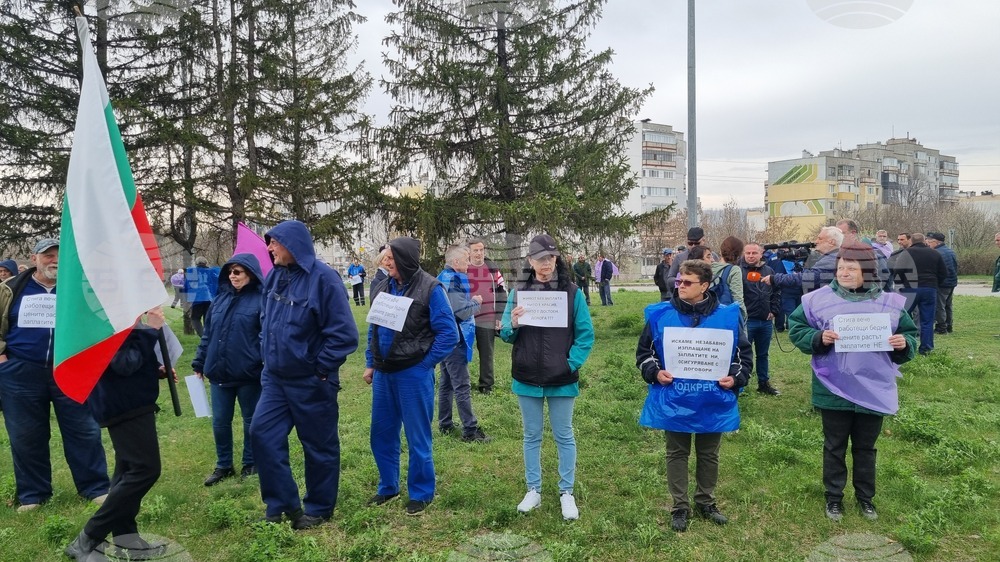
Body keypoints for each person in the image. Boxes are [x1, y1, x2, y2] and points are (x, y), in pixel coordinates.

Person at [787, 244, 917, 522]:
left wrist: (904, 343)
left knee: (865, 447)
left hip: (873, 387)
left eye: (851, 268)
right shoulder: (816, 300)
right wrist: (817, 338)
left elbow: (909, 334)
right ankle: (834, 498)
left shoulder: (888, 303)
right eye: (840, 267)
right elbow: (797, 328)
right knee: (834, 445)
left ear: (868, 271)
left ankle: (865, 498)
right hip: (833, 387)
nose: (844, 272)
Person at [251, 220, 359, 530]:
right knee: (262, 435)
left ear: (293, 245)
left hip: (311, 381)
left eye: (274, 243)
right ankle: (281, 504)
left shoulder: (324, 280)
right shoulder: (273, 277)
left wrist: (319, 368)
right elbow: (265, 322)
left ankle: (319, 508)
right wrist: (266, 356)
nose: (269, 248)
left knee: (318, 446)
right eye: (268, 242)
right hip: (274, 379)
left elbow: (344, 335)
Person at [635, 259, 752, 532]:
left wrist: (736, 378)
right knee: (676, 452)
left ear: (706, 285)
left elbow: (742, 355)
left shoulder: (727, 316)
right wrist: (654, 372)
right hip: (675, 397)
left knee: (709, 453)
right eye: (678, 281)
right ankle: (679, 506)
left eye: (687, 282)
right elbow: (644, 353)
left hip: (713, 397)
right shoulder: (660, 315)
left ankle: (706, 501)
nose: (680, 286)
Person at [0, 238, 110, 513]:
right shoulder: (10, 290)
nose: (55, 261)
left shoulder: (79, 290)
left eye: (60, 256)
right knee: (26, 436)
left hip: (70, 370)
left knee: (84, 430)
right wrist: (2, 359)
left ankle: (95, 488)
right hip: (21, 372)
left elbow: (97, 325)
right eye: (48, 255)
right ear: (34, 258)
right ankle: (33, 495)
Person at [64, 308, 170, 560]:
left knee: (126, 473)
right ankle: (88, 537)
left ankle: (128, 541)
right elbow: (123, 364)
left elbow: (126, 359)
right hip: (125, 407)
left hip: (130, 403)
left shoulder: (119, 321)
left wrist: (154, 369)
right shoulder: (110, 322)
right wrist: (152, 329)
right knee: (145, 470)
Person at [501, 235, 594, 521]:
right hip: (527, 376)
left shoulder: (572, 292)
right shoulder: (519, 292)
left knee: (564, 435)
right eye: (541, 258)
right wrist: (514, 323)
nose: (547, 264)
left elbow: (586, 334)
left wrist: (570, 364)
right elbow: (505, 331)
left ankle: (566, 492)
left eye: (551, 258)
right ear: (530, 261)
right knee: (531, 436)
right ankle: (534, 490)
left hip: (561, 378)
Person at [364, 236, 459, 515]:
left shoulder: (431, 288)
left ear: (405, 259)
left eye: (391, 258)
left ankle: (421, 492)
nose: (386, 261)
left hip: (412, 375)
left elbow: (448, 334)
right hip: (384, 374)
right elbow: (375, 328)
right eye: (385, 257)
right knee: (381, 434)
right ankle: (388, 487)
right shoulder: (382, 285)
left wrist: (424, 365)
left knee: (417, 437)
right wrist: (371, 362)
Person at [192, 254, 265, 486]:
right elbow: (208, 335)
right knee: (220, 421)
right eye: (230, 272)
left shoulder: (261, 300)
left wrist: (261, 362)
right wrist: (199, 362)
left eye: (238, 272)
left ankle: (251, 463)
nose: (233, 276)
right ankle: (224, 465)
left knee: (250, 420)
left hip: (248, 373)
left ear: (250, 274)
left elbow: (266, 337)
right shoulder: (219, 300)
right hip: (219, 371)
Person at [436, 245, 490, 442]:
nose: (469, 263)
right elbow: (461, 312)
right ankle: (470, 430)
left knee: (446, 383)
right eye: (466, 259)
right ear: (456, 262)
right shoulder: (454, 280)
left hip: (444, 338)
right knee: (462, 385)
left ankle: (445, 423)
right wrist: (476, 302)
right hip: (455, 339)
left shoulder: (443, 276)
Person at [466, 238, 507, 394]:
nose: (479, 253)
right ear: (469, 252)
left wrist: (499, 316)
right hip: (466, 318)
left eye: (481, 250)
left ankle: (486, 386)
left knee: (487, 353)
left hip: (487, 317)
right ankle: (464, 384)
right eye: (475, 250)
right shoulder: (463, 267)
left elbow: (502, 292)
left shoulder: (491, 268)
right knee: (464, 352)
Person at [740, 242, 781, 395]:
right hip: (747, 321)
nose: (750, 256)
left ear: (760, 254)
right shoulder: (738, 271)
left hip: (765, 321)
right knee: (743, 354)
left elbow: (777, 291)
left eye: (754, 253)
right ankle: (741, 384)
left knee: (763, 354)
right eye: (748, 253)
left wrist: (774, 310)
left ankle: (763, 383)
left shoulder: (769, 270)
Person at [898, 233, 946, 355]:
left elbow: (897, 270)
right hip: (929, 288)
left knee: (905, 319)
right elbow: (944, 273)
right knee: (927, 320)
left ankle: (906, 346)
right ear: (925, 241)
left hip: (910, 289)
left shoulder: (906, 253)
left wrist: (904, 282)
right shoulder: (935, 253)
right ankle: (926, 348)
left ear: (911, 241)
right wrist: (935, 283)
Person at [764, 226, 843, 294]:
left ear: (831, 242)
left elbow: (807, 278)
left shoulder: (831, 260)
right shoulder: (835, 257)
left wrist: (775, 278)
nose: (816, 241)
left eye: (820, 238)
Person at [926, 232, 957, 334]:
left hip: (942, 283)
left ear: (935, 242)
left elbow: (937, 270)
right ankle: (949, 325)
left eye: (929, 242)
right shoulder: (950, 251)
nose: (928, 245)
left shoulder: (937, 253)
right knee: (948, 305)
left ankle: (941, 327)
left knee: (940, 306)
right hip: (951, 282)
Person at [710, 236, 746, 318]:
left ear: (721, 251)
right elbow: (737, 299)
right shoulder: (734, 270)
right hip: (725, 315)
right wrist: (743, 318)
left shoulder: (708, 267)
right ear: (739, 254)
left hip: (708, 314)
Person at [185, 256, 219, 337]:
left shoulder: (192, 272)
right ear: (206, 262)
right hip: (210, 299)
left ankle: (203, 336)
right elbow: (217, 284)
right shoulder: (212, 272)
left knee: (195, 318)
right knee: (207, 319)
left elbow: (187, 286)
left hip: (197, 299)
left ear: (196, 263)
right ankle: (208, 336)